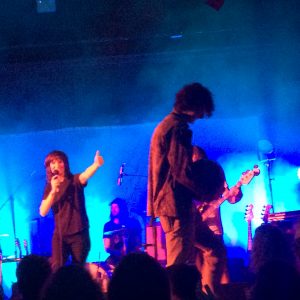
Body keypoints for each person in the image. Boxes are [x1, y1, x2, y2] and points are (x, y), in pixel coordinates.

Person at [147, 82, 224, 267]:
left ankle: (207, 294)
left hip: (175, 204)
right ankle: (178, 294)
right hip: (175, 205)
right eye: (201, 111)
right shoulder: (178, 128)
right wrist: (204, 194)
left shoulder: (166, 125)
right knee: (179, 265)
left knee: (214, 248)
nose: (200, 116)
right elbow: (182, 172)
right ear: (194, 106)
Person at [39, 150, 104, 271]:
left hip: (78, 233)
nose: (56, 165)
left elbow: (85, 175)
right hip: (60, 235)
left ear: (65, 164)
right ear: (49, 167)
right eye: (52, 162)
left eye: (59, 161)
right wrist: (54, 190)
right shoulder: (50, 186)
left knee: (78, 268)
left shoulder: (74, 180)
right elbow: (42, 212)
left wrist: (96, 165)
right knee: (56, 268)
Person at [192, 145, 243, 298]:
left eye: (194, 159)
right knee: (199, 278)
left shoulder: (213, 175)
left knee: (221, 278)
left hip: (214, 233)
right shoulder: (187, 177)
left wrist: (237, 191)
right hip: (196, 234)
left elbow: (233, 198)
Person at [103, 198, 142, 269]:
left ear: (122, 208)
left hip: (132, 256)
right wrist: (119, 253)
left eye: (116, 207)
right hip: (115, 257)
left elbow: (138, 242)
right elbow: (107, 248)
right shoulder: (108, 226)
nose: (113, 210)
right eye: (112, 208)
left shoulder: (133, 223)